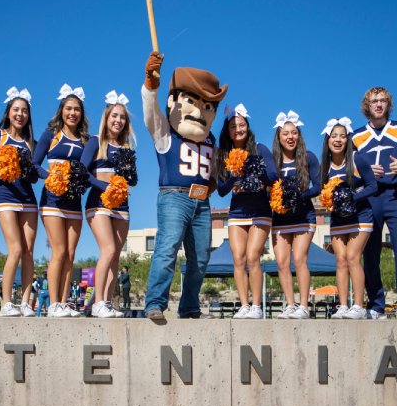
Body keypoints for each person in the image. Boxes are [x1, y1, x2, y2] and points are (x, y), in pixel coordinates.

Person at [141, 52, 228, 320]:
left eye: (207, 105)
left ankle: (190, 306)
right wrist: (150, 84)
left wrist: (212, 186)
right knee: (167, 249)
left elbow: (214, 173)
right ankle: (155, 303)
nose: (200, 110)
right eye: (191, 101)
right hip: (173, 197)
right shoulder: (166, 133)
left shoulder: (211, 140)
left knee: (200, 258)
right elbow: (151, 113)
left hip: (202, 202)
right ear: (174, 102)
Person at [352, 88, 397, 319]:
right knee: (370, 251)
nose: (379, 104)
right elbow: (349, 171)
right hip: (369, 197)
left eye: (383, 100)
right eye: (374, 101)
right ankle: (375, 305)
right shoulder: (356, 136)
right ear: (367, 105)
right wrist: (363, 172)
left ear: (388, 104)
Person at [214, 104, 277, 319]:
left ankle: (257, 306)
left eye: (241, 125)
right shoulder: (224, 154)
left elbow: (273, 176)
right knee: (238, 258)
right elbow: (221, 191)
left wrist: (254, 178)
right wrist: (233, 175)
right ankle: (244, 305)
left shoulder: (259, 149)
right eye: (233, 126)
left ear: (248, 127)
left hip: (260, 210)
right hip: (237, 212)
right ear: (228, 131)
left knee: (252, 257)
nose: (238, 129)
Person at [33, 84, 89, 318]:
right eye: (68, 108)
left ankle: (64, 302)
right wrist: (52, 176)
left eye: (77, 109)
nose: (72, 113)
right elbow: (35, 164)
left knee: (70, 253)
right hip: (52, 201)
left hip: (73, 203)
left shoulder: (85, 139)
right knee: (58, 251)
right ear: (61, 110)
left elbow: (86, 172)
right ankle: (53, 303)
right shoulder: (51, 134)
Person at [81, 90, 137, 318]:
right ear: (107, 117)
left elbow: (134, 179)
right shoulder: (96, 141)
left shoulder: (127, 147)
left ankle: (106, 302)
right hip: (98, 203)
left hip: (121, 206)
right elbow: (82, 172)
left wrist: (128, 175)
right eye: (114, 115)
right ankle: (98, 303)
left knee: (116, 256)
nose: (118, 120)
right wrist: (104, 187)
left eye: (122, 117)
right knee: (108, 249)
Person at [0, 87, 39, 317]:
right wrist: (6, 163)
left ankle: (25, 303)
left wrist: (33, 171)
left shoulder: (31, 142)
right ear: (8, 112)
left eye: (24, 111)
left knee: (28, 252)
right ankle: (7, 302)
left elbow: (35, 176)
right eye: (16, 110)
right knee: (15, 248)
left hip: (28, 199)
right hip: (6, 197)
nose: (20, 114)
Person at [321, 118, 378, 319]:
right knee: (340, 260)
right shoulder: (325, 166)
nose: (338, 140)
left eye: (342, 136)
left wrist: (352, 196)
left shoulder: (357, 159)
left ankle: (359, 306)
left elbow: (373, 186)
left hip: (361, 216)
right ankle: (343, 305)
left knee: (353, 257)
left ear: (348, 139)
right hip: (337, 219)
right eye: (334, 136)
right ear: (327, 140)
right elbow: (324, 192)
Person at [270, 111, 321, 319]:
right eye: (285, 133)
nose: (290, 137)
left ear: (298, 135)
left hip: (303, 216)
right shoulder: (273, 160)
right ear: (279, 137)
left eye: (294, 133)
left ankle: (304, 306)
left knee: (299, 259)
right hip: (280, 218)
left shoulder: (309, 157)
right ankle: (290, 305)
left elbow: (318, 186)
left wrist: (299, 195)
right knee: (282, 262)